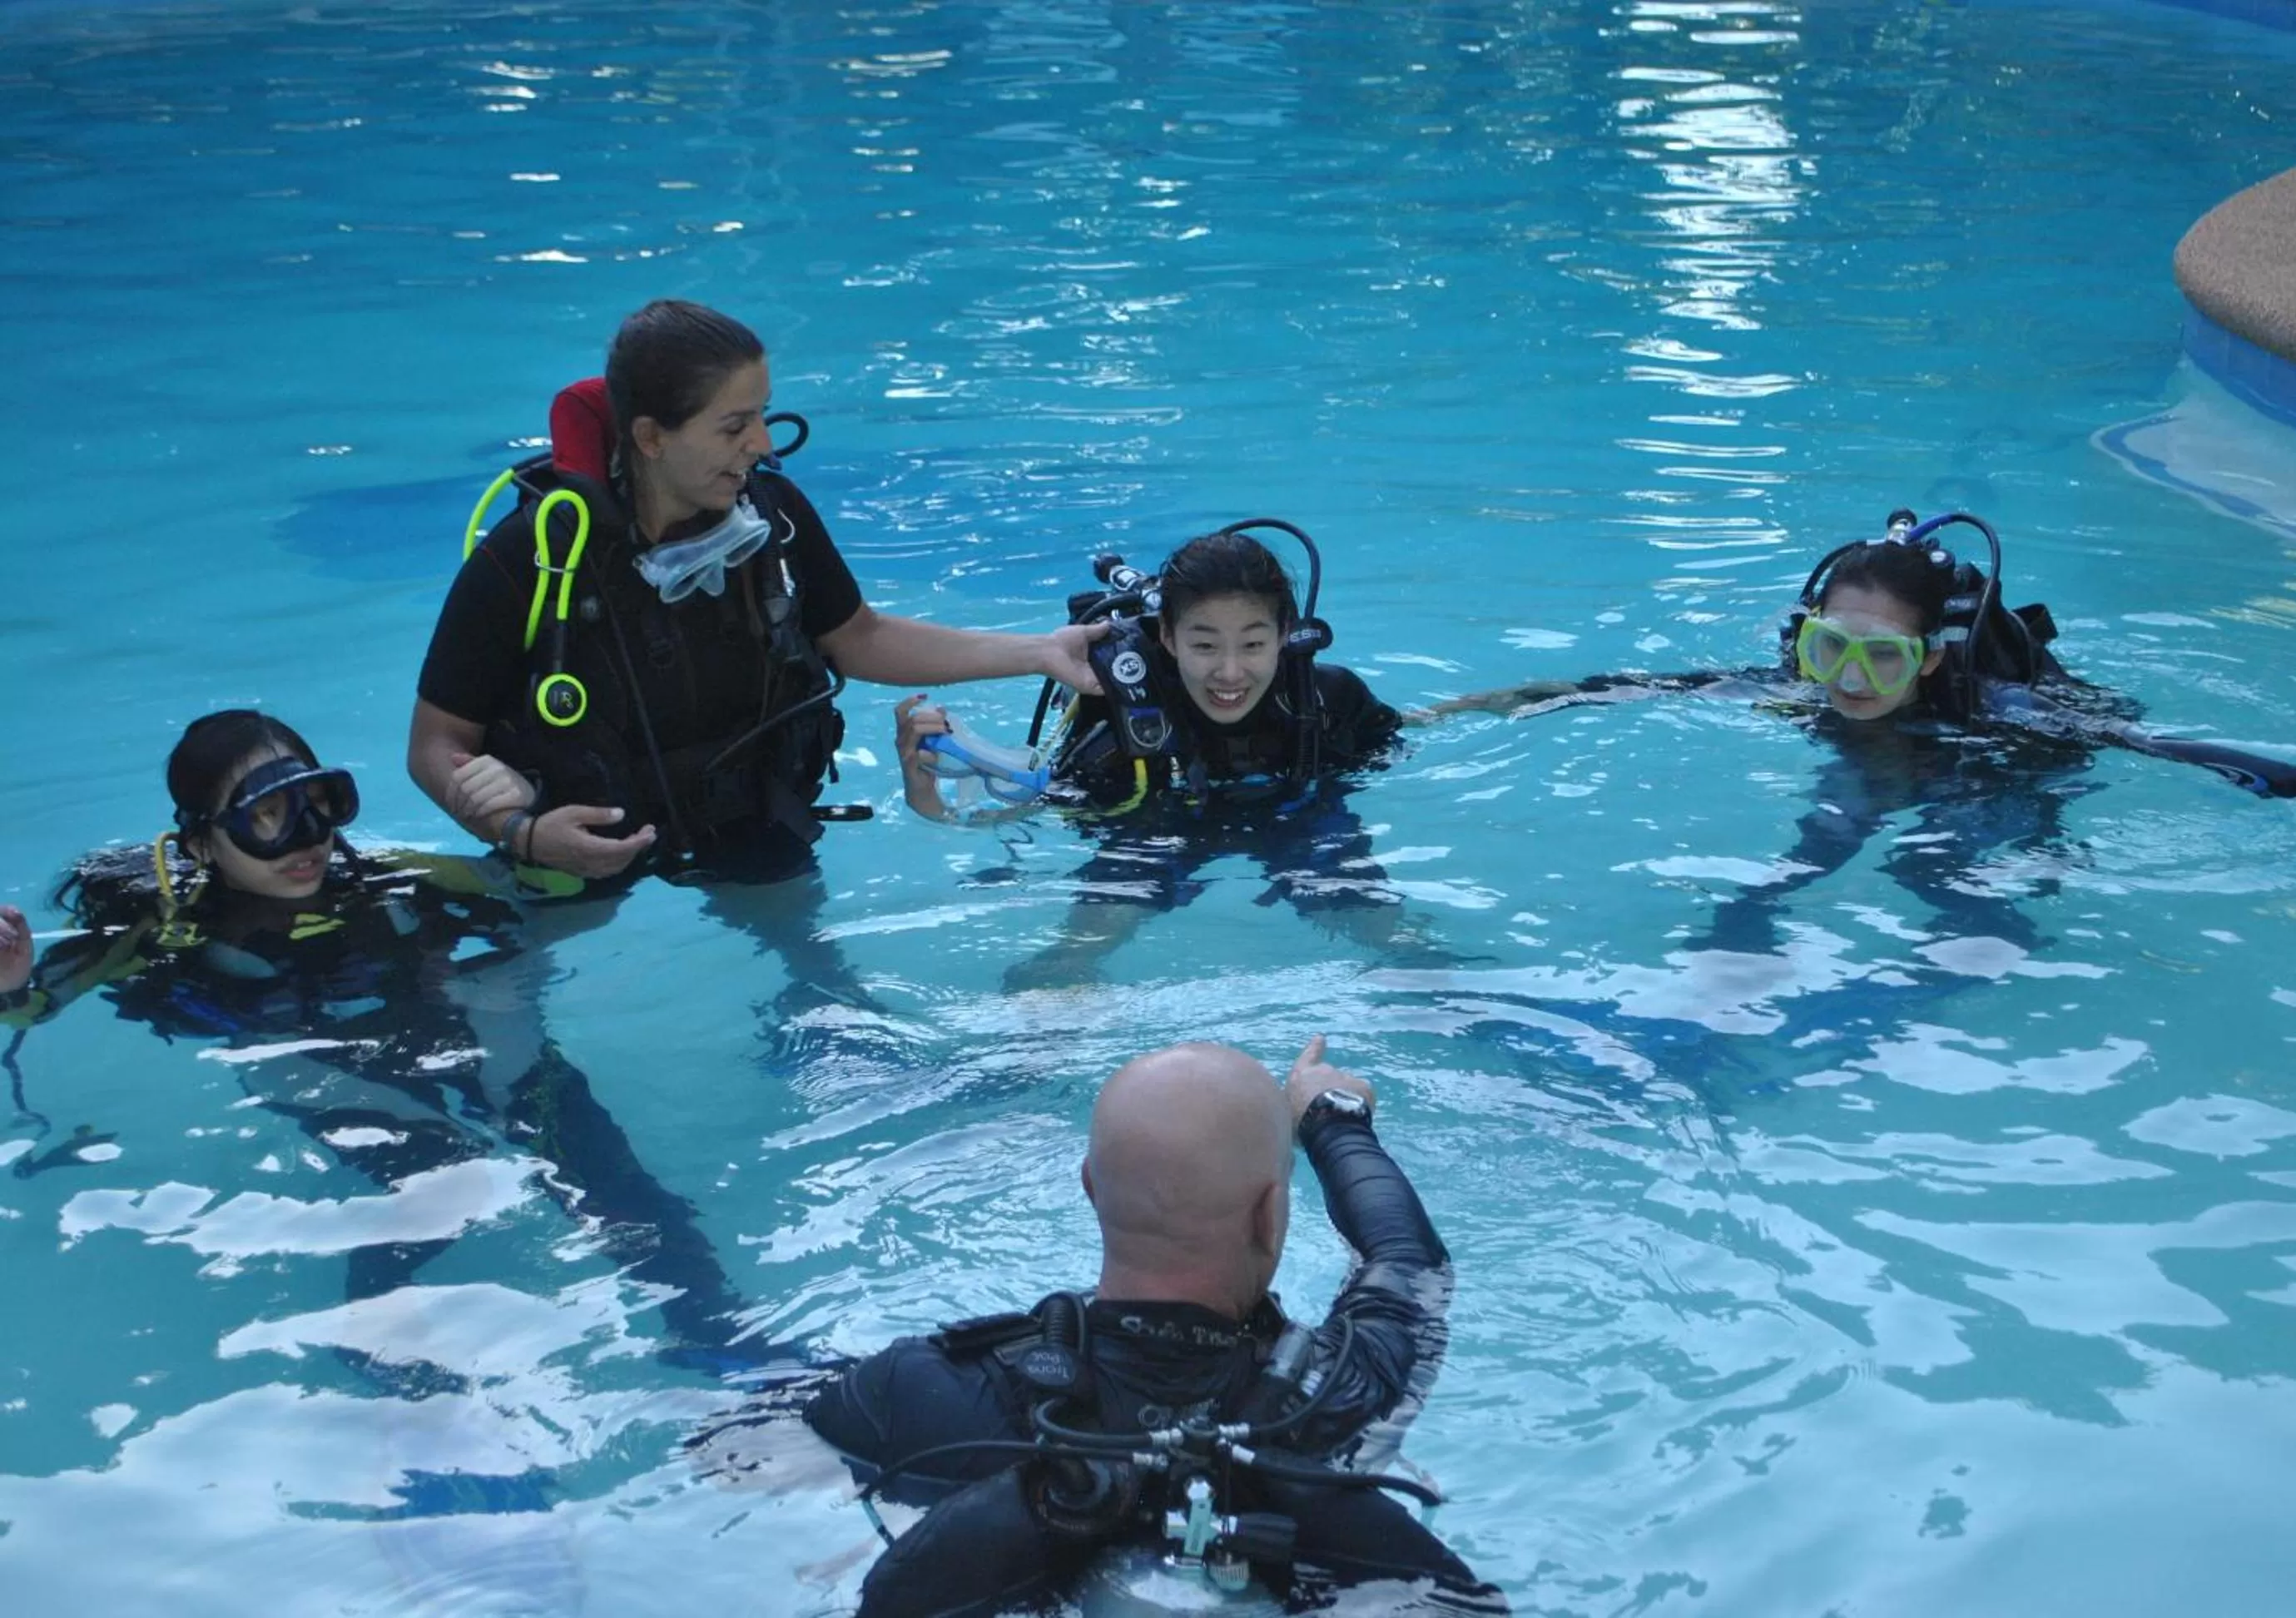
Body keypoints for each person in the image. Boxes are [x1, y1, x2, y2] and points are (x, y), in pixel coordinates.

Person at [3, 711, 754, 1361]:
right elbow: (37, 1004)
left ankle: (716, 1336)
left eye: (314, 806)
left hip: (453, 1036)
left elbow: (553, 890)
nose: (303, 841)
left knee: (601, 1166)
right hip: (314, 1067)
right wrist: (10, 981)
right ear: (201, 844)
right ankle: (389, 1352)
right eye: (265, 818)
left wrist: (528, 826)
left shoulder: (395, 873)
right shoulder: (163, 929)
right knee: (445, 1175)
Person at [1431, 509, 2296, 950]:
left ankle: (1983, 939)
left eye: (1882, 659)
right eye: (1830, 653)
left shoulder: (1998, 708)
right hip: (1890, 768)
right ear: (1807, 644)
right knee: (1823, 836)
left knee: (1931, 871)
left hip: (1996, 774)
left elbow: (2151, 748)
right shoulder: (1805, 686)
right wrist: (1504, 700)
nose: (1850, 681)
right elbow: (1650, 685)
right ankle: (1751, 921)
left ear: (1929, 660)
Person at [409, 297, 1107, 890]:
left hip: (749, 820)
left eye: (763, 414)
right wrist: (522, 833)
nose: (762, 443)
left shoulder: (771, 515)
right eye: (733, 425)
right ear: (651, 436)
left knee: (818, 1004)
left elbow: (856, 636)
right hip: (579, 841)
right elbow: (436, 744)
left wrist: (1041, 651)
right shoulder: (535, 554)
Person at [791, 1037, 1500, 1616]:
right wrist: (1334, 1117)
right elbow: (1407, 1260)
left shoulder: (916, 1389)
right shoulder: (1343, 1391)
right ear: (1271, 1213)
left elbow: (743, 1460)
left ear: (1089, 1186)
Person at [895, 523, 1412, 986]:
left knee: (1401, 945)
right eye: (1205, 646)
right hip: (1156, 828)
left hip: (1300, 816)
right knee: (1068, 960)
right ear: (1166, 636)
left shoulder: (1326, 699)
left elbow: (1399, 733)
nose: (1230, 673)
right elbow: (1009, 811)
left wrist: (1476, 707)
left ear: (1285, 636)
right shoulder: (1119, 716)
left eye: (1253, 645)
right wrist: (925, 793)